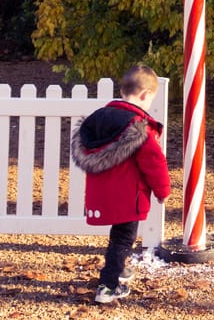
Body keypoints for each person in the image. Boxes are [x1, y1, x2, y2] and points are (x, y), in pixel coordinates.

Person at [71, 64, 170, 303]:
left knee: (118, 236)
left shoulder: (98, 120)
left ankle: (119, 269)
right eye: (151, 99)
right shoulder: (138, 128)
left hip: (102, 193)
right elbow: (154, 163)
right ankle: (107, 286)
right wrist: (163, 190)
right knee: (123, 238)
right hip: (128, 195)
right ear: (145, 94)